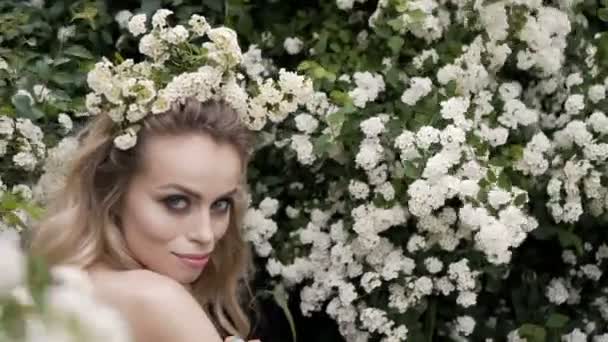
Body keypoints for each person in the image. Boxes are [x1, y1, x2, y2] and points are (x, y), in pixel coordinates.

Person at [30, 98, 260, 342]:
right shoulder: (158, 299)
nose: (205, 234)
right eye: (177, 202)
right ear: (113, 193)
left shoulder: (68, 285)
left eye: (220, 204)